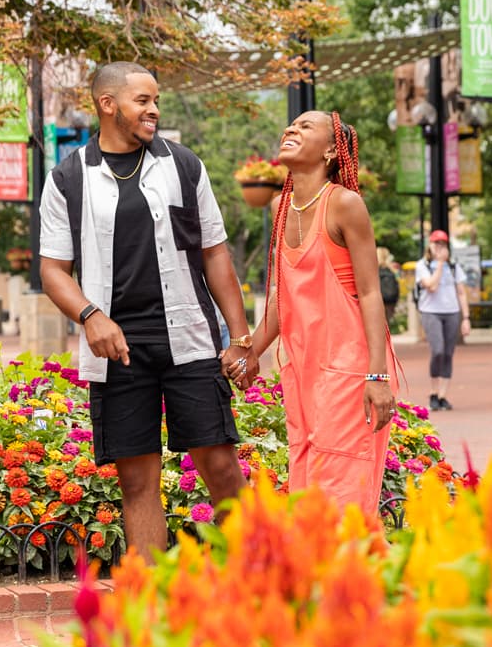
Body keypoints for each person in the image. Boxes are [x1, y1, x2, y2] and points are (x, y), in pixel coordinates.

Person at [38, 61, 259, 558]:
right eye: (143, 100)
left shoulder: (183, 165)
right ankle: (150, 602)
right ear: (108, 104)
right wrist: (91, 315)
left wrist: (241, 338)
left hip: (191, 340)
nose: (154, 109)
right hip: (118, 351)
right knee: (138, 481)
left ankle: (259, 579)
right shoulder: (69, 179)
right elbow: (53, 270)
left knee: (221, 467)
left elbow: (215, 252)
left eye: (156, 100)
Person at [247, 110, 398, 512]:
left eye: (305, 126)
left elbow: (370, 293)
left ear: (331, 150)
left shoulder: (345, 205)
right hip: (304, 370)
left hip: (351, 370)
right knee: (307, 482)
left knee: (340, 491)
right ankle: (318, 573)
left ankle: (348, 573)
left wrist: (378, 375)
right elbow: (282, 294)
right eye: (290, 124)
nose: (290, 129)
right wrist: (250, 349)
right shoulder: (282, 207)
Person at [415, 230, 470, 411]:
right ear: (429, 246)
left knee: (448, 353)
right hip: (431, 312)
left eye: (443, 244)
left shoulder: (454, 267)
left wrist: (466, 318)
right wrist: (439, 264)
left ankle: (443, 395)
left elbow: (461, 293)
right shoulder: (422, 265)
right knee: (437, 350)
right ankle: (433, 391)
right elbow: (431, 286)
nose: (439, 248)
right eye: (436, 244)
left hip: (452, 312)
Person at [377, 247, 400, 323]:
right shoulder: (393, 271)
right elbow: (397, 286)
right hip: (390, 301)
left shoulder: (374, 270)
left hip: (378, 301)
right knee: (387, 324)